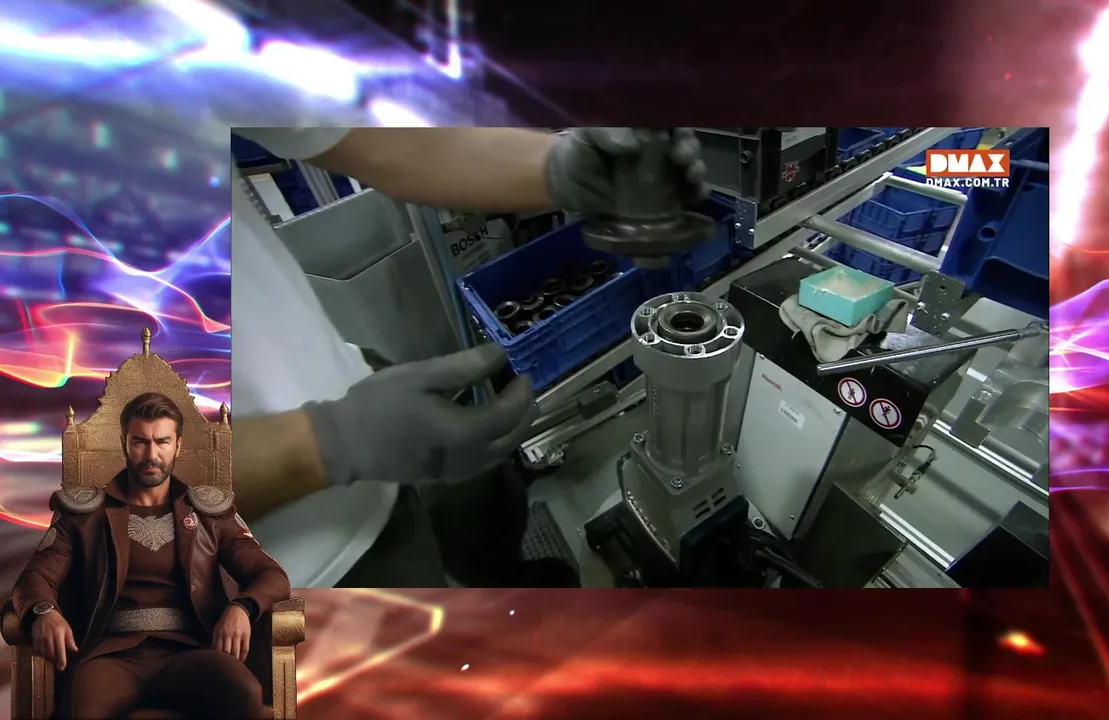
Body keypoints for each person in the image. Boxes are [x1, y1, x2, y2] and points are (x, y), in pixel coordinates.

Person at [228, 127, 708, 589]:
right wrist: (330, 443)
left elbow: (364, 136)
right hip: (288, 568)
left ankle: (507, 580)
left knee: (484, 494)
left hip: (345, 381)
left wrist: (559, 166)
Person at [10, 392, 292, 719]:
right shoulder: (85, 514)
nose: (151, 454)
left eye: (162, 442)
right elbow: (34, 577)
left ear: (178, 446)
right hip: (110, 655)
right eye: (140, 442)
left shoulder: (208, 514)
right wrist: (44, 611)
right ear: (124, 443)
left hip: (191, 652)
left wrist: (242, 607)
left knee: (243, 692)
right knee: (81, 710)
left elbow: (272, 575)